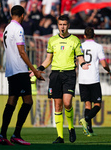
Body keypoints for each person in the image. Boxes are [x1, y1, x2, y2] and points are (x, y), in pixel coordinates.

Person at [35, 14, 90, 144]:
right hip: (55, 74)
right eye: (60, 24)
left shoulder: (75, 40)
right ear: (58, 25)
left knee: (67, 103)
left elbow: (80, 57)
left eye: (65, 24)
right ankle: (60, 137)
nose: (62, 27)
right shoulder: (52, 40)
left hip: (69, 74)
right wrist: (39, 68)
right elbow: (48, 59)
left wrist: (83, 64)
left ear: (68, 25)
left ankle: (71, 127)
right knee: (57, 106)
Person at [0, 5, 45, 146]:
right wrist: (34, 70)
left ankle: (2, 135)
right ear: (22, 15)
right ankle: (16, 134)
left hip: (11, 70)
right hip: (20, 70)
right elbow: (22, 52)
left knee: (11, 101)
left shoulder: (7, 28)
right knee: (28, 102)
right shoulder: (18, 29)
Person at [79, 27, 111, 136]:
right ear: (94, 35)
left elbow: (76, 61)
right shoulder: (98, 47)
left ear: (84, 36)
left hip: (82, 79)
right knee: (97, 105)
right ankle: (86, 119)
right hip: (93, 79)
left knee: (87, 105)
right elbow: (103, 64)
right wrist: (109, 71)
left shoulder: (80, 46)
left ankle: (88, 129)